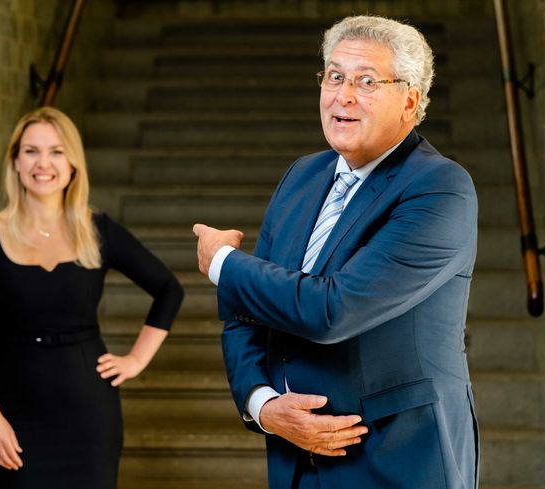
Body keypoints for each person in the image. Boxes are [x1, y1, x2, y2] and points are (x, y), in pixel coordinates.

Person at [193, 15, 479, 489]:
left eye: (366, 81)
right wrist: (263, 404)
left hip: (399, 460)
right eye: (335, 76)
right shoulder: (302, 175)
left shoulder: (440, 188)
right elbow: (246, 315)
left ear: (410, 100)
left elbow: (333, 309)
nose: (343, 96)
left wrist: (222, 261)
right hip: (296, 461)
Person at [0, 106, 184, 488]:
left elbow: (168, 289)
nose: (43, 163)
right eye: (31, 151)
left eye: (56, 151)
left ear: (73, 163)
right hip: (14, 413)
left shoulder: (97, 230)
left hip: (89, 414)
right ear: (14, 160)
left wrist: (137, 359)